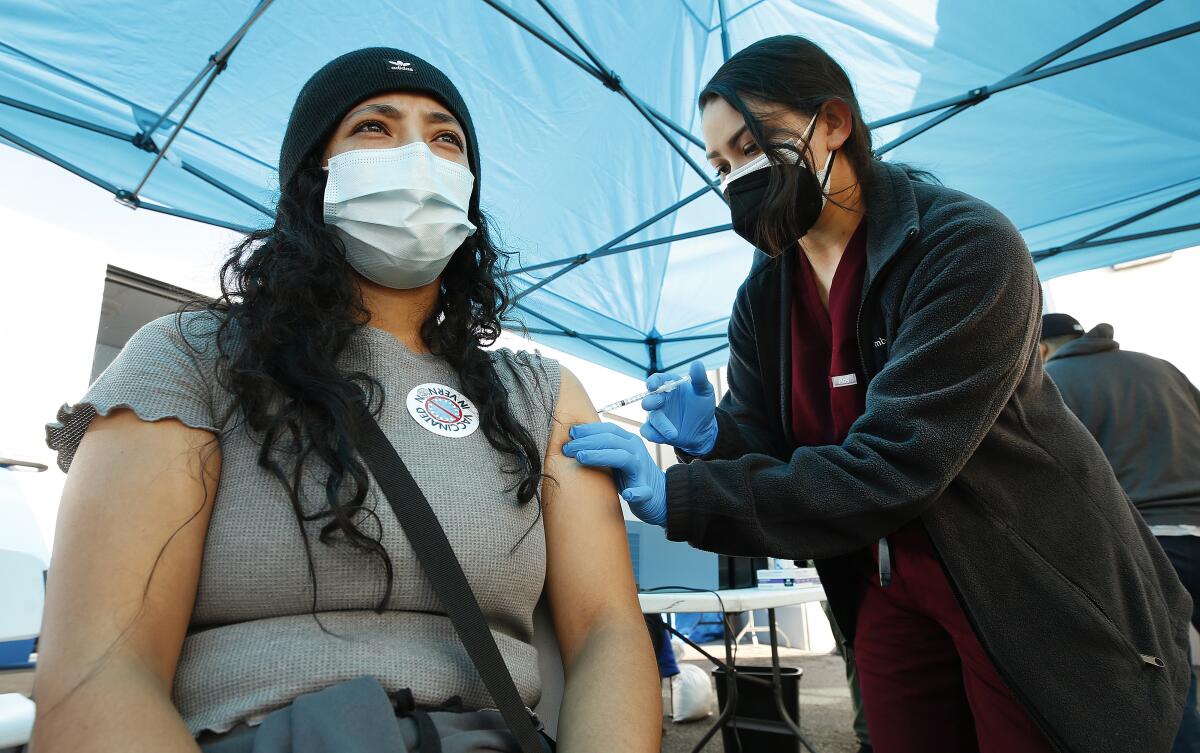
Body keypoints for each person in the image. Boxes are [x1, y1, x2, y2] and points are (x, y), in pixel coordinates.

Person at [564, 34, 1191, 753]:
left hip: (1024, 583)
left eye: (752, 144)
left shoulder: (964, 246)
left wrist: (681, 496)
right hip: (883, 585)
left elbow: (897, 460)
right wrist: (714, 440)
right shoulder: (765, 297)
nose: (736, 175)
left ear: (834, 122)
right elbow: (770, 445)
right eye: (721, 163)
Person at [31, 48, 660, 753]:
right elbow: (98, 676)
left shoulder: (540, 393)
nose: (418, 156)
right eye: (374, 127)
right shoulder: (191, 357)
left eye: (445, 138)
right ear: (311, 176)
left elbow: (609, 629)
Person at [1041, 312, 1200, 753]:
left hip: (1146, 545)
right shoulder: (1159, 367)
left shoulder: (1052, 383)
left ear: (1040, 349)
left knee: (1168, 682)